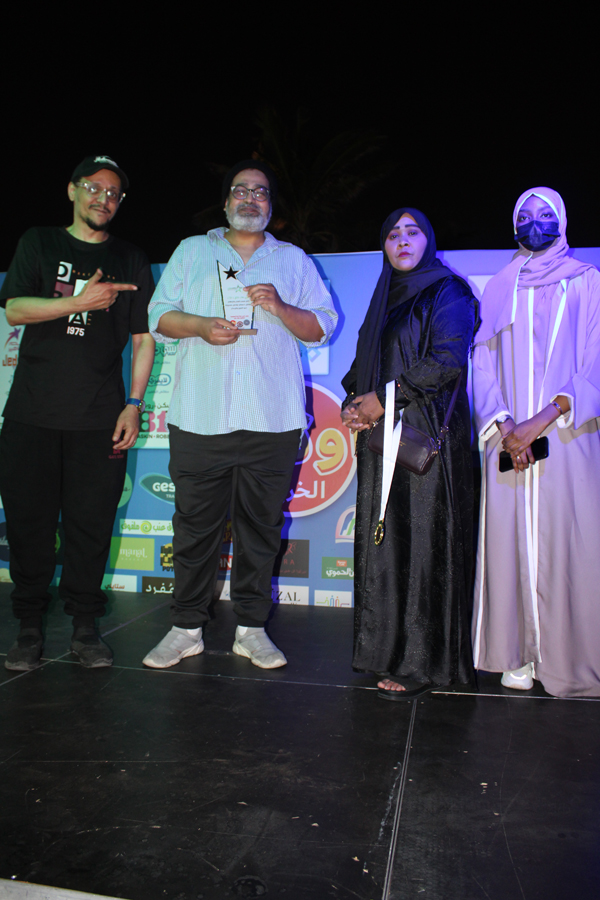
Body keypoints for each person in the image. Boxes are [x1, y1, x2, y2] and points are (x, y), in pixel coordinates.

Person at [142, 160, 337, 670]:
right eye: (241, 190)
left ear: (271, 205)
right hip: (200, 415)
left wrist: (281, 308)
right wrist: (200, 326)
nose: (251, 198)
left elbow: (322, 327)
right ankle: (186, 628)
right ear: (227, 200)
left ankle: (251, 629)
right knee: (193, 530)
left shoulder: (292, 259)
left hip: (272, 419)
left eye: (261, 192)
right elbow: (158, 315)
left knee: (261, 530)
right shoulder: (193, 250)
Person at [0, 155, 155, 670]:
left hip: (99, 419)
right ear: (72, 190)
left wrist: (134, 404)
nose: (103, 198)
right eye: (93, 187)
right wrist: (79, 302)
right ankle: (28, 628)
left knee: (91, 528)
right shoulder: (39, 243)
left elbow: (143, 339)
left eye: (113, 193)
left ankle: (85, 628)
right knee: (29, 527)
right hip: (31, 414)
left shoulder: (131, 257)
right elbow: (15, 309)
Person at [341, 208, 478, 700]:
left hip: (428, 439)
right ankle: (386, 652)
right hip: (382, 437)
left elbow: (446, 360)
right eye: (393, 234)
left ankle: (426, 662)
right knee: (387, 543)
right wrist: (354, 403)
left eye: (412, 232)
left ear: (428, 240)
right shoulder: (385, 296)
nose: (402, 240)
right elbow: (363, 365)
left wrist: (382, 399)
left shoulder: (449, 291)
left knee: (424, 545)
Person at [472, 187, 600, 698]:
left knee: (569, 543)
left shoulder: (588, 281)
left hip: (567, 437)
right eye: (525, 215)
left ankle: (567, 658)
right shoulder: (499, 286)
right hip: (508, 444)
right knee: (510, 541)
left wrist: (541, 421)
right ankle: (516, 653)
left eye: (545, 214)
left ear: (562, 221)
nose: (535, 222)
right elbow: (481, 362)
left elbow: (595, 360)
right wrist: (507, 427)